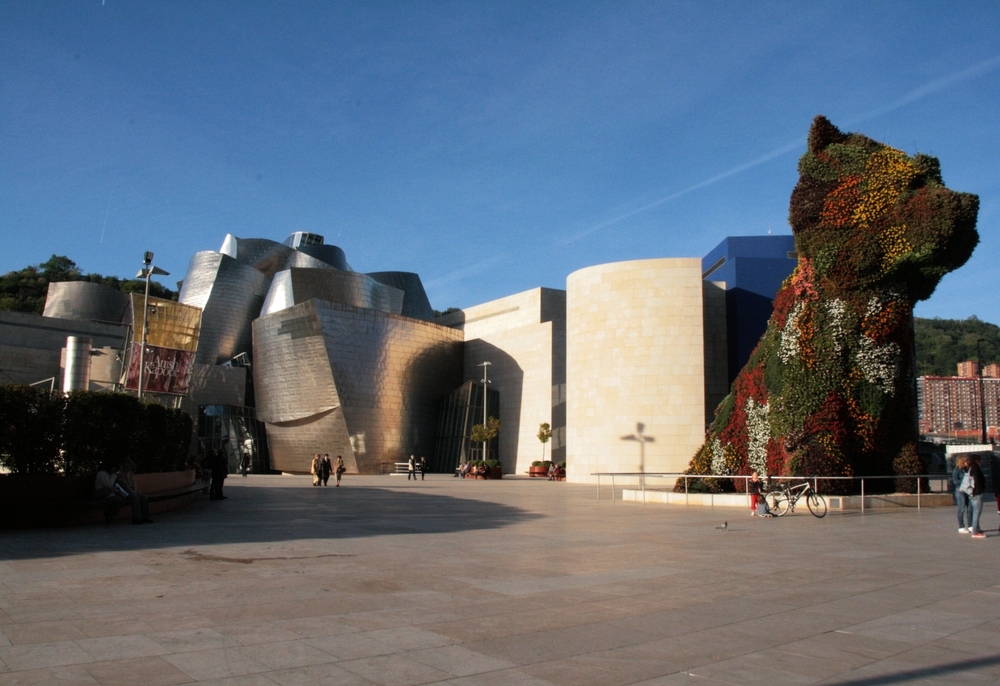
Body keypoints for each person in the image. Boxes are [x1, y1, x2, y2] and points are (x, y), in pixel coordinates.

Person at [117, 459, 153, 524]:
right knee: (135, 498)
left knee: (144, 498)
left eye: (129, 466)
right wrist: (133, 492)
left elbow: (134, 483)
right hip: (124, 492)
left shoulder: (130, 473)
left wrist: (134, 491)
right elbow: (124, 486)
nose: (128, 468)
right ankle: (136, 518)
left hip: (131, 491)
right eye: (126, 466)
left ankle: (145, 517)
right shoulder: (120, 474)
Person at [967, 454, 986, 538]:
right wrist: (981, 489)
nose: (981, 461)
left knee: (974, 511)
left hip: (971, 493)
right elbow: (977, 481)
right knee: (976, 512)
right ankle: (975, 531)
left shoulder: (970, 468)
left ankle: (976, 529)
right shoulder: (976, 468)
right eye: (980, 460)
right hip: (977, 493)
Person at [953, 455, 971, 533]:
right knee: (961, 509)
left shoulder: (968, 469)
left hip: (968, 490)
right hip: (960, 491)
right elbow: (955, 481)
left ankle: (970, 525)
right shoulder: (956, 470)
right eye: (966, 461)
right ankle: (961, 526)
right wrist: (965, 481)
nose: (968, 462)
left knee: (970, 509)